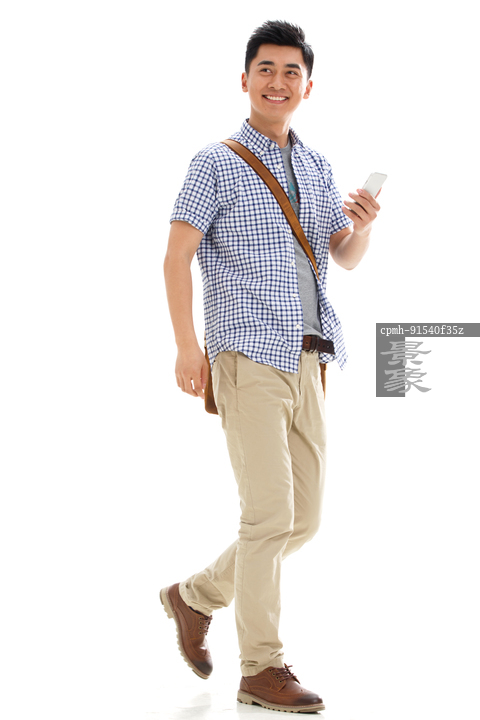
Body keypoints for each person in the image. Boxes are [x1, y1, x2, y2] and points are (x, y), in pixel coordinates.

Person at [161, 20, 381, 714]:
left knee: (301, 520)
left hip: (309, 358)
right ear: (245, 79)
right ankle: (261, 668)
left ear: (307, 87)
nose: (278, 82)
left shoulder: (316, 165)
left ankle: (194, 596)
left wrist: (363, 225)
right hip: (246, 353)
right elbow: (176, 256)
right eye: (266, 69)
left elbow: (343, 257)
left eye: (291, 72)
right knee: (268, 517)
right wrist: (187, 344)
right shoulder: (214, 161)